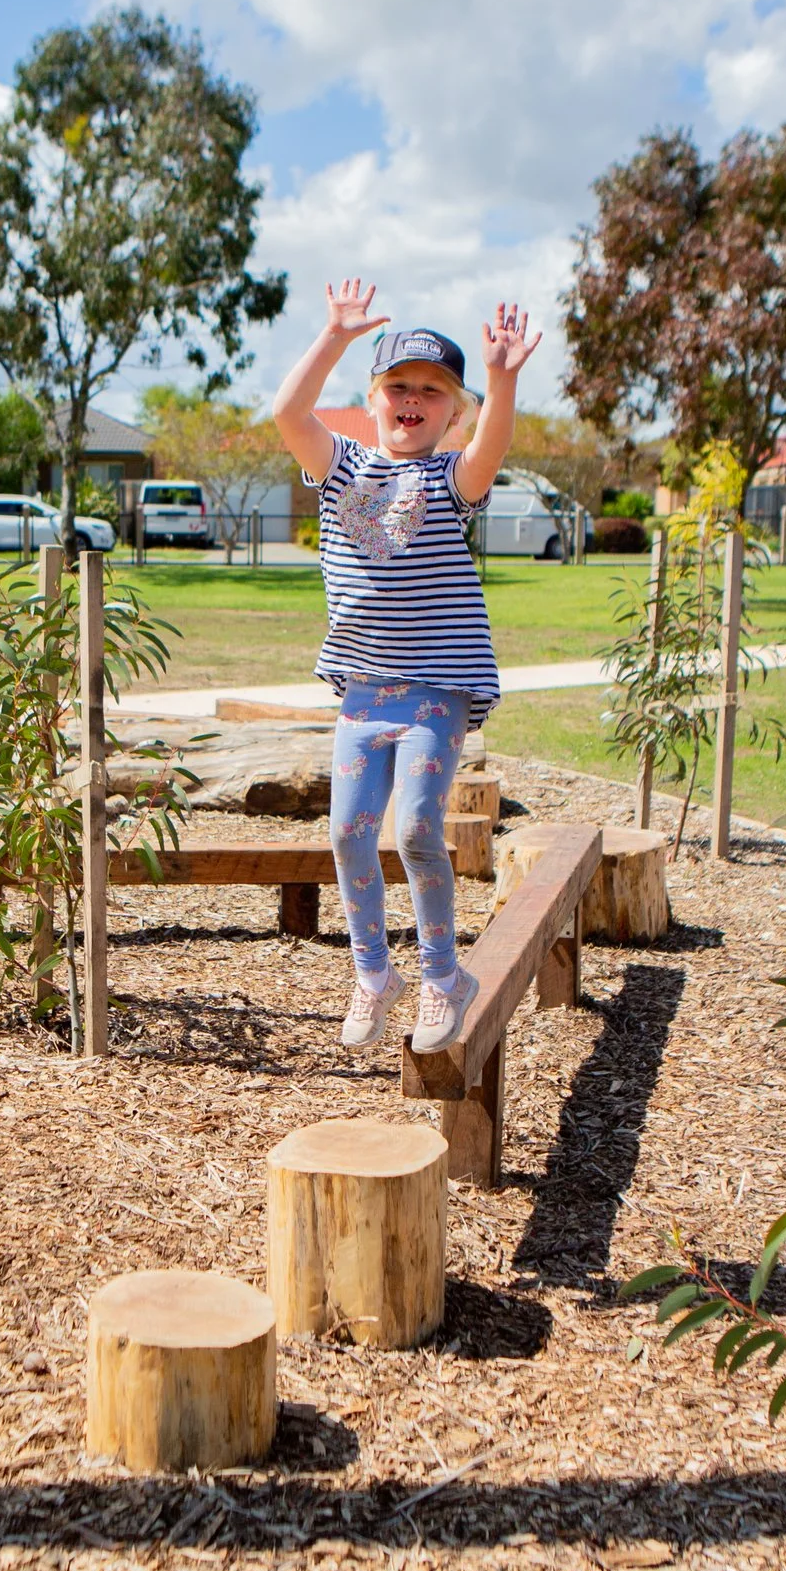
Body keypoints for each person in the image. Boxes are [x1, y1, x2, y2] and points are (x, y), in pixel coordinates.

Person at [270, 278, 541, 1052]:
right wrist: (333, 336)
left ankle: (443, 974)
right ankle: (372, 973)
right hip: (362, 693)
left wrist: (503, 379)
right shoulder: (342, 468)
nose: (413, 399)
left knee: (418, 825)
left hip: (435, 690)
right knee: (349, 836)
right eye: (398, 387)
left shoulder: (447, 480)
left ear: (453, 410)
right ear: (374, 399)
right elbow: (288, 414)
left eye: (432, 390)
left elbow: (492, 449)